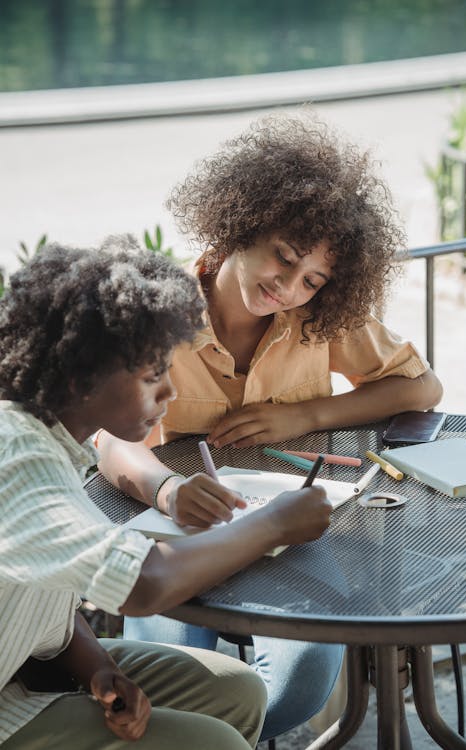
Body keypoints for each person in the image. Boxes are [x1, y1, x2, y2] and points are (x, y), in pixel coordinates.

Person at [97, 116, 443, 741]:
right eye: (283, 258)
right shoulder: (160, 307)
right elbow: (114, 440)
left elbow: (420, 388)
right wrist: (167, 490)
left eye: (313, 279)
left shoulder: (321, 318)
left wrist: (306, 414)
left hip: (294, 531)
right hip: (180, 529)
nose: (288, 288)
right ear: (240, 225)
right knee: (168, 677)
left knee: (300, 682)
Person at [0, 236, 333, 750]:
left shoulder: (62, 442)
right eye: (154, 376)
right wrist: (272, 524)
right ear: (84, 376)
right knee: (212, 742)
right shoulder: (18, 455)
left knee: (238, 689)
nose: (170, 394)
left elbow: (46, 606)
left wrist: (100, 671)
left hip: (26, 665)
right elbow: (144, 586)